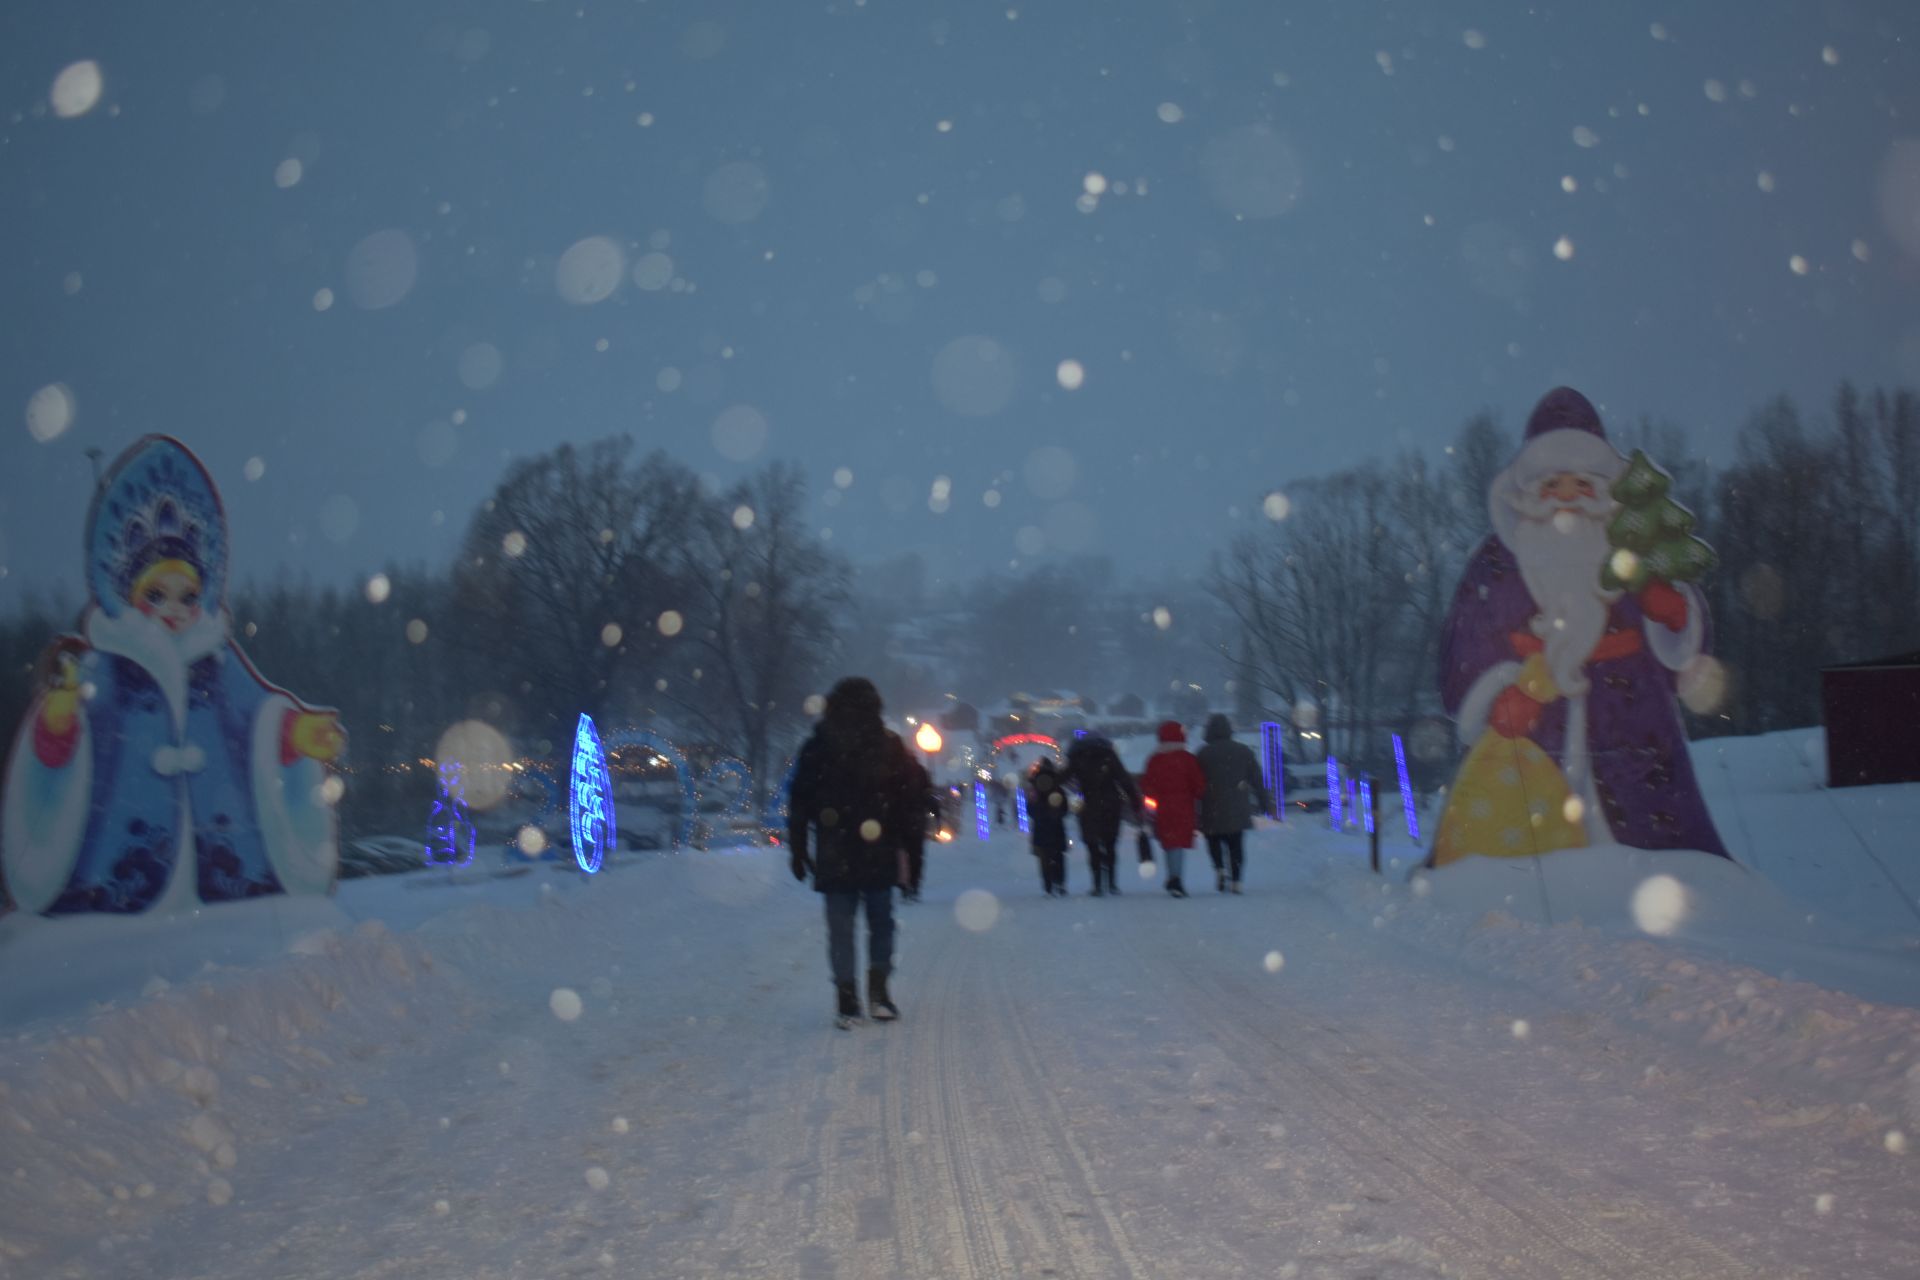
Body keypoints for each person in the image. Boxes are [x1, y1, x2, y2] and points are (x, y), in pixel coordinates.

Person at [1432, 386, 1730, 866]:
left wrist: (1674, 614)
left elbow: (1686, 664)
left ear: (1602, 490)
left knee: (1661, 857)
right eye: (1552, 486)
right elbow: (1465, 644)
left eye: (1581, 485)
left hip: (1634, 724)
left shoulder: (1629, 549)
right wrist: (1494, 692)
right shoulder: (1497, 562)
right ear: (1529, 492)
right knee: (1513, 854)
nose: (1566, 499)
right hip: (1530, 728)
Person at [787, 677, 924, 1025]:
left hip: (835, 849)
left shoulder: (817, 746)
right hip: (878, 847)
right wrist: (912, 853)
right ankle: (879, 992)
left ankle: (846, 998)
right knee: (881, 923)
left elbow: (799, 800)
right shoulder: (890, 746)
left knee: (841, 927)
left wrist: (799, 846)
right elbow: (909, 805)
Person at [1197, 713, 1270, 893]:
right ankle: (1236, 881)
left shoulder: (1203, 753)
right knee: (1235, 844)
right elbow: (1257, 780)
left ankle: (1220, 868)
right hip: (1237, 806)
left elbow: (1194, 781)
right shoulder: (1243, 751)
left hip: (1211, 805)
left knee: (1213, 840)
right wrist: (1265, 803)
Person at [1062, 733, 1141, 896]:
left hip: (1089, 806)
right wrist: (1135, 801)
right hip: (1111, 804)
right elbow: (1124, 779)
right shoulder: (1109, 756)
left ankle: (1097, 884)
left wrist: (1045, 779)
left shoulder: (1078, 758)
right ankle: (1112, 883)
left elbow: (1063, 777)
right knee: (1110, 844)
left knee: (1093, 846)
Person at [1141, 720, 1206, 897]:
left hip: (1163, 808)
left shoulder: (1155, 760)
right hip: (1184, 806)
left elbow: (1147, 785)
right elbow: (1199, 786)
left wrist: (1151, 804)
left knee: (1169, 843)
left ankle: (1173, 877)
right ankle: (1176, 878)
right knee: (1179, 842)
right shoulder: (1188, 759)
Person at [1025, 759, 1072, 895]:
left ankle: (1048, 886)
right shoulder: (1058, 786)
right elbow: (1065, 808)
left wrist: (1040, 815)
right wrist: (1055, 814)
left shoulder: (1034, 788)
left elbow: (1030, 809)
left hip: (1040, 828)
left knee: (1044, 858)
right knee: (1059, 857)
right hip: (1056, 827)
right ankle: (1060, 883)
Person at [900, 752, 936, 903]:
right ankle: (914, 885)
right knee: (916, 856)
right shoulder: (921, 771)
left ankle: (904, 885)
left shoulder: (896, 772)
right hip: (917, 819)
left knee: (902, 855)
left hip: (900, 820)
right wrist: (935, 815)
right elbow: (929, 795)